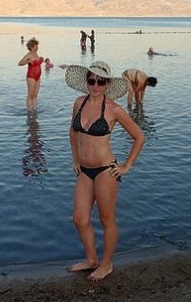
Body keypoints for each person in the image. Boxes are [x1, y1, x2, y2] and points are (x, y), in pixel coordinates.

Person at [64, 61, 145, 281]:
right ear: (87, 81)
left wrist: (126, 166)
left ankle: (106, 264)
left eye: (101, 82)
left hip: (105, 170)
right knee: (79, 219)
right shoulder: (79, 103)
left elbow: (139, 137)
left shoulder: (113, 109)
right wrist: (75, 158)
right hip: (84, 170)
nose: (95, 85)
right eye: (92, 80)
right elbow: (73, 132)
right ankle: (91, 260)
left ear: (107, 84)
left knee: (106, 219)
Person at [18, 37, 44, 111]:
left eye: (37, 46)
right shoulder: (28, 55)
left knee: (35, 95)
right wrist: (28, 61)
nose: (37, 47)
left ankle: (35, 109)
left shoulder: (36, 54)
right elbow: (20, 63)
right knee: (30, 95)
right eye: (36, 46)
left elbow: (37, 63)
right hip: (31, 76)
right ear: (32, 47)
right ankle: (29, 110)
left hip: (38, 76)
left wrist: (41, 60)